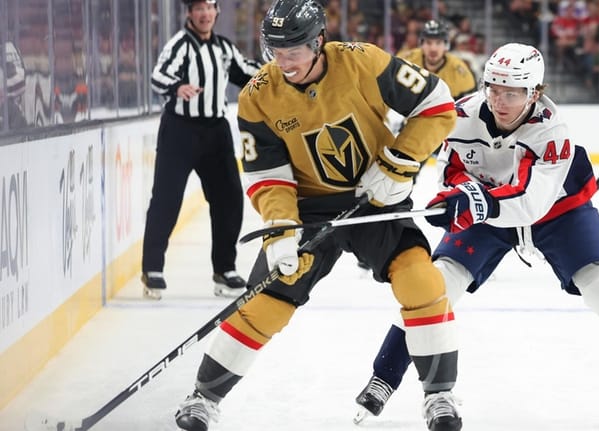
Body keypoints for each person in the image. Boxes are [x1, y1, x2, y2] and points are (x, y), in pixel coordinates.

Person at [353, 43, 599, 427]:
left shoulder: (552, 130)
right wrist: (457, 194)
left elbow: (531, 204)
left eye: (511, 92)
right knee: (435, 287)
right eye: (493, 88)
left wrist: (472, 202)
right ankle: (389, 381)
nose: (499, 100)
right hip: (487, 210)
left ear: (535, 93)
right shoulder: (461, 115)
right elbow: (449, 169)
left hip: (557, 213)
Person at [173, 1, 463, 430]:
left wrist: (398, 163)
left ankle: (440, 396)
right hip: (307, 211)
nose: (282, 61)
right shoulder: (258, 97)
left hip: (375, 200)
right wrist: (280, 232)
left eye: (292, 51)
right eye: (274, 50)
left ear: (317, 42)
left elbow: (437, 105)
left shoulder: (363, 61)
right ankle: (204, 398)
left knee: (421, 280)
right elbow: (268, 176)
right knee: (265, 304)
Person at [142, 0, 260, 300]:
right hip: (179, 131)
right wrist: (178, 86)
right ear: (189, 14)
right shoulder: (180, 45)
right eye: (198, 9)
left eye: (209, 8)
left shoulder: (223, 48)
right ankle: (152, 269)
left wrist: (279, 71)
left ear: (217, 12)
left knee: (230, 198)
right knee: (166, 200)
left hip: (215, 132)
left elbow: (247, 72)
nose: (205, 14)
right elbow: (158, 76)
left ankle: (225, 269)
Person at [398, 20, 478, 101]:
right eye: (428, 43)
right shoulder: (406, 60)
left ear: (446, 45)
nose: (433, 49)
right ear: (421, 44)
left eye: (438, 43)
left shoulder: (458, 70)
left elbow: (467, 105)